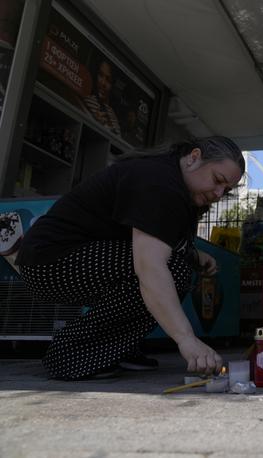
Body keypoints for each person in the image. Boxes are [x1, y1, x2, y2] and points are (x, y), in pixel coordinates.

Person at [15, 136, 244, 380]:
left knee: (177, 266)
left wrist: (194, 254)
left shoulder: (169, 180)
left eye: (226, 190)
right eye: (217, 180)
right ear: (194, 157)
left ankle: (110, 350)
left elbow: (152, 238)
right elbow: (150, 267)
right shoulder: (159, 181)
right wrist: (186, 340)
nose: (219, 193)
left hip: (64, 259)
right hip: (48, 263)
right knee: (172, 271)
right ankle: (70, 354)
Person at [83, 60, 121, 136]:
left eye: (108, 80)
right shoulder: (86, 100)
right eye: (100, 75)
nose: (103, 83)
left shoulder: (112, 113)